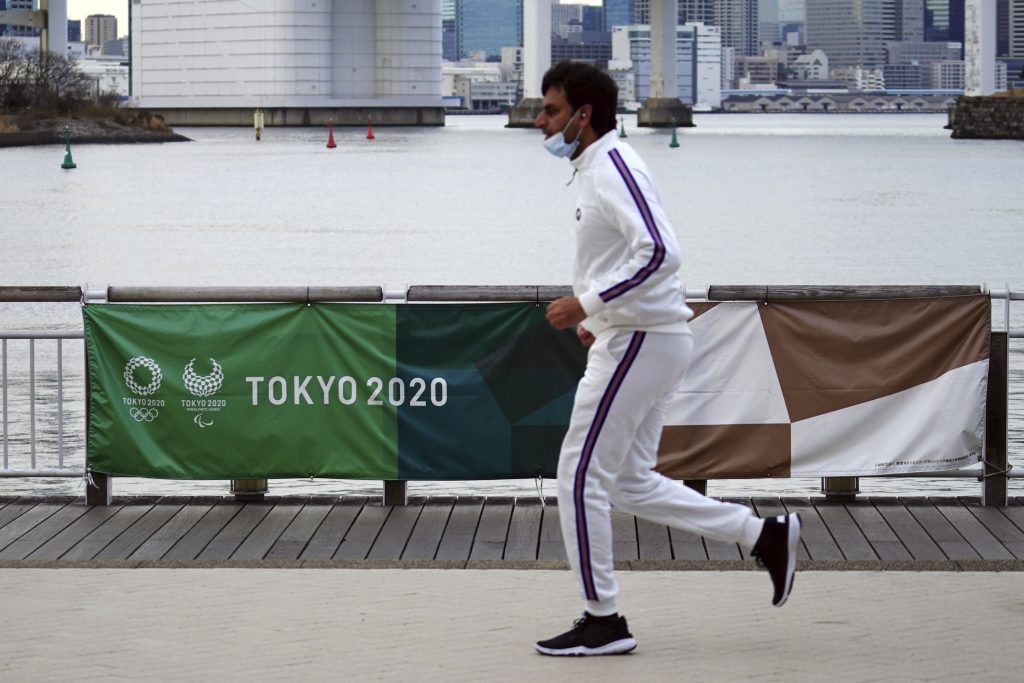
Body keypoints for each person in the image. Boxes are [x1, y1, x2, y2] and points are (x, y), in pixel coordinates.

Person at [534, 61, 802, 657]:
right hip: (638, 338)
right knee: (627, 481)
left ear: (584, 115)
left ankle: (603, 619)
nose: (539, 121)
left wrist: (588, 305)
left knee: (578, 480)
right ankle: (763, 535)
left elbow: (661, 252)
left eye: (550, 110)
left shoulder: (612, 164)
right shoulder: (595, 169)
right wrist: (600, 318)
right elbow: (633, 259)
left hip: (641, 343)